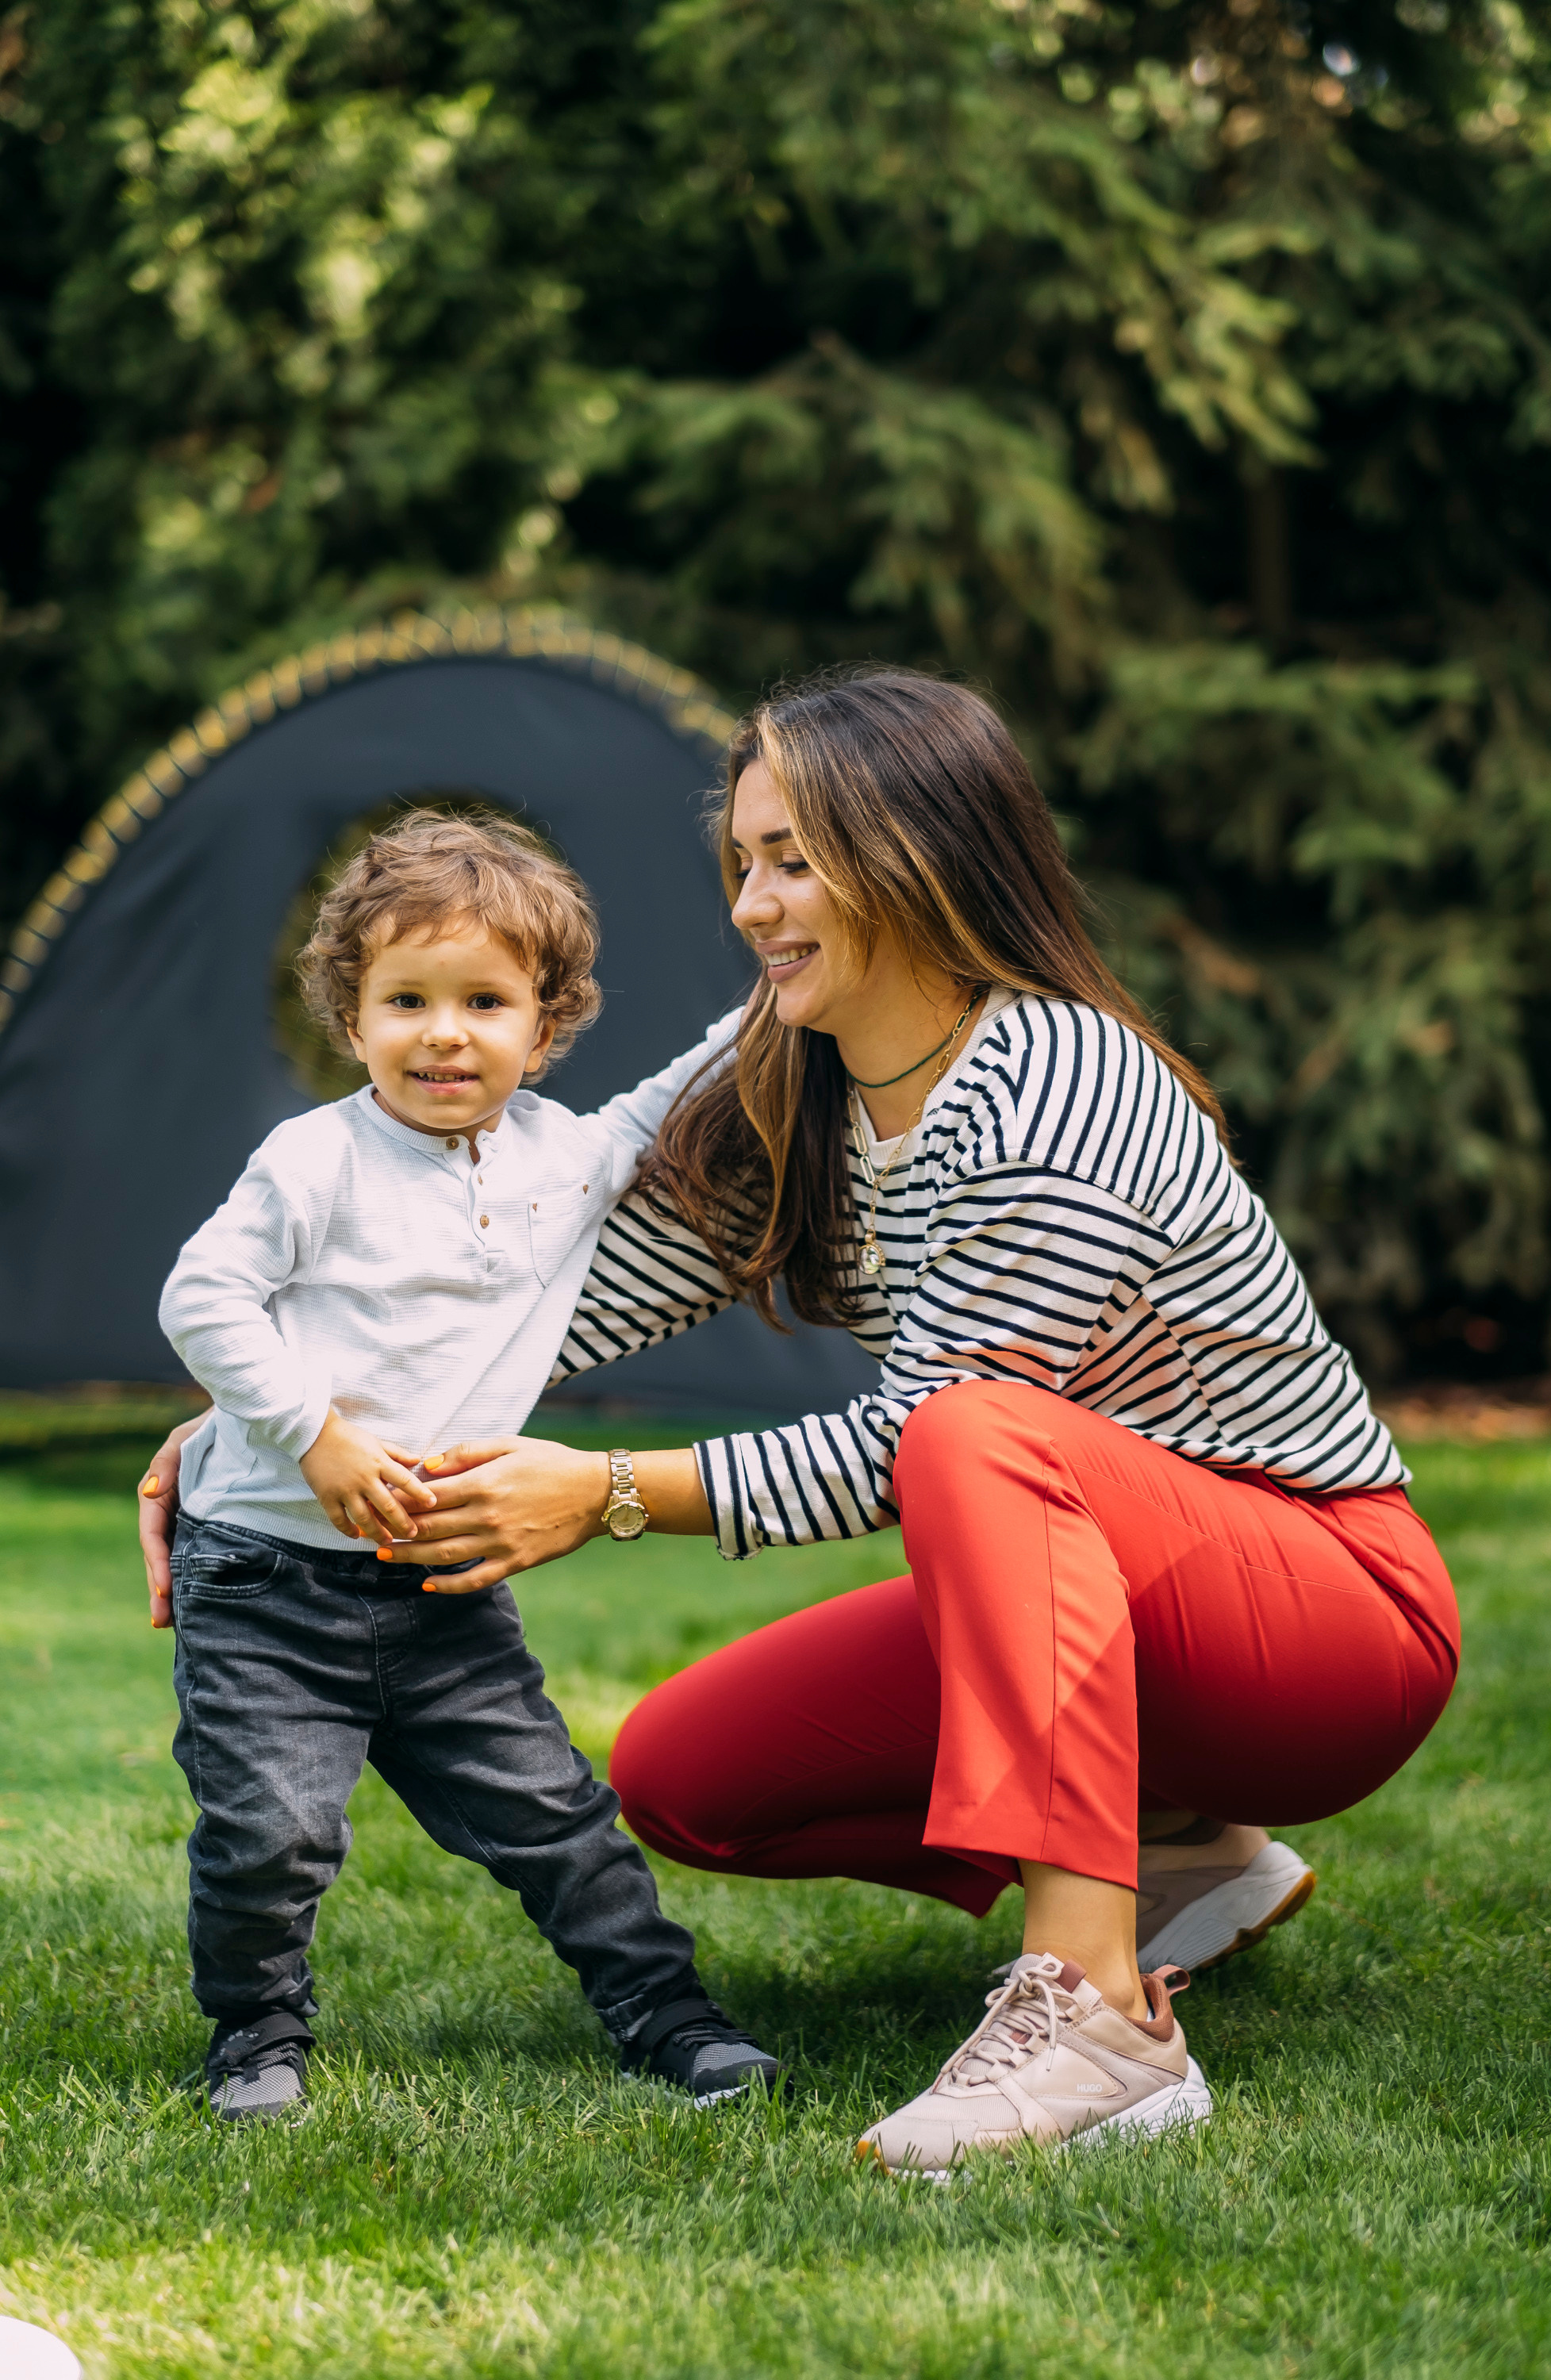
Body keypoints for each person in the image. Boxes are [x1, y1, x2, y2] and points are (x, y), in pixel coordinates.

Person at [141, 673, 1459, 2177]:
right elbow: (512, 1291)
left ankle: (1097, 2012)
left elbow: (925, 1436)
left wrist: (608, 1491)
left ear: (921, 852)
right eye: (745, 865)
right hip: (1109, 1601)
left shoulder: (1053, 1084)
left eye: (796, 860)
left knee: (972, 1431)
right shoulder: (800, 1072)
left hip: (1327, 1617)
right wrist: (272, 1429)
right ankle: (1173, 1858)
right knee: (689, 1776)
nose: (757, 905)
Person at [151, 808, 777, 2122]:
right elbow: (204, 1299)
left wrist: (790, 976)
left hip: (442, 1587)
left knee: (558, 1819)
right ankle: (256, 2040)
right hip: (266, 1579)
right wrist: (313, 1432)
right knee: (270, 1836)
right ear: (352, 1013)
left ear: (545, 1028)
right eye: (407, 999)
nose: (446, 1032)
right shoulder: (316, 1159)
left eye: (486, 1000)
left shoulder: (571, 1158)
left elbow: (687, 1082)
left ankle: (671, 2016)